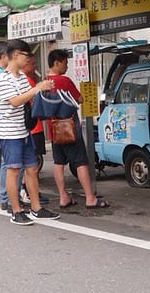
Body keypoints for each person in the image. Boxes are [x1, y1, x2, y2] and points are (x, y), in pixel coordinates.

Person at [0, 39, 59, 226]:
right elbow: (15, 101)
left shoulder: (22, 77)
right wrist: (36, 89)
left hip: (24, 131)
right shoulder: (3, 78)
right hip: (10, 133)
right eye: (27, 55)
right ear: (16, 55)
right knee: (13, 170)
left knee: (31, 169)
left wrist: (42, 90)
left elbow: (29, 97)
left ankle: (36, 208)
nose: (29, 59)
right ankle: (16, 211)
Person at [45, 49, 109, 210]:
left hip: (54, 130)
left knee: (58, 163)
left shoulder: (44, 82)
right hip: (70, 129)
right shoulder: (64, 81)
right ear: (57, 62)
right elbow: (79, 99)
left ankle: (63, 197)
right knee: (81, 162)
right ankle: (90, 198)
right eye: (65, 63)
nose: (67, 66)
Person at [0, 46, 23, 212]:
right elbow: (14, 100)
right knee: (10, 166)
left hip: (5, 123)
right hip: (7, 124)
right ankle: (7, 199)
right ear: (5, 56)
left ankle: (9, 198)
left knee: (11, 165)